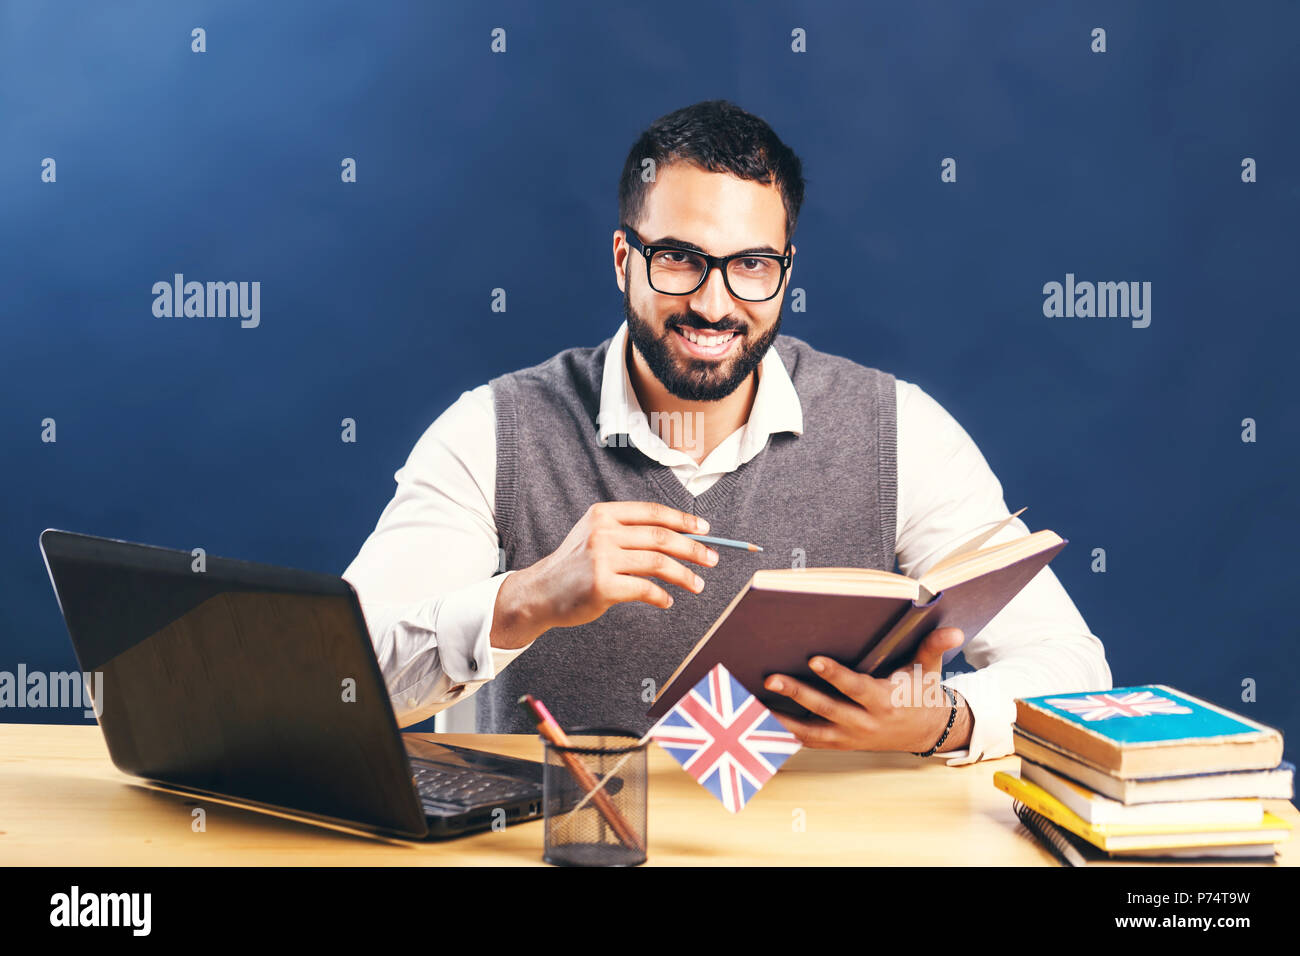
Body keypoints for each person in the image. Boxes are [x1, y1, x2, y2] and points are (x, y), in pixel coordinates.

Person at [343, 99, 1111, 765]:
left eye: (750, 264)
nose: (714, 303)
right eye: (678, 258)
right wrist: (524, 599)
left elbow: (1072, 669)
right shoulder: (493, 431)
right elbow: (339, 680)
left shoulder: (901, 430)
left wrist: (944, 719)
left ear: (785, 269)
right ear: (623, 259)